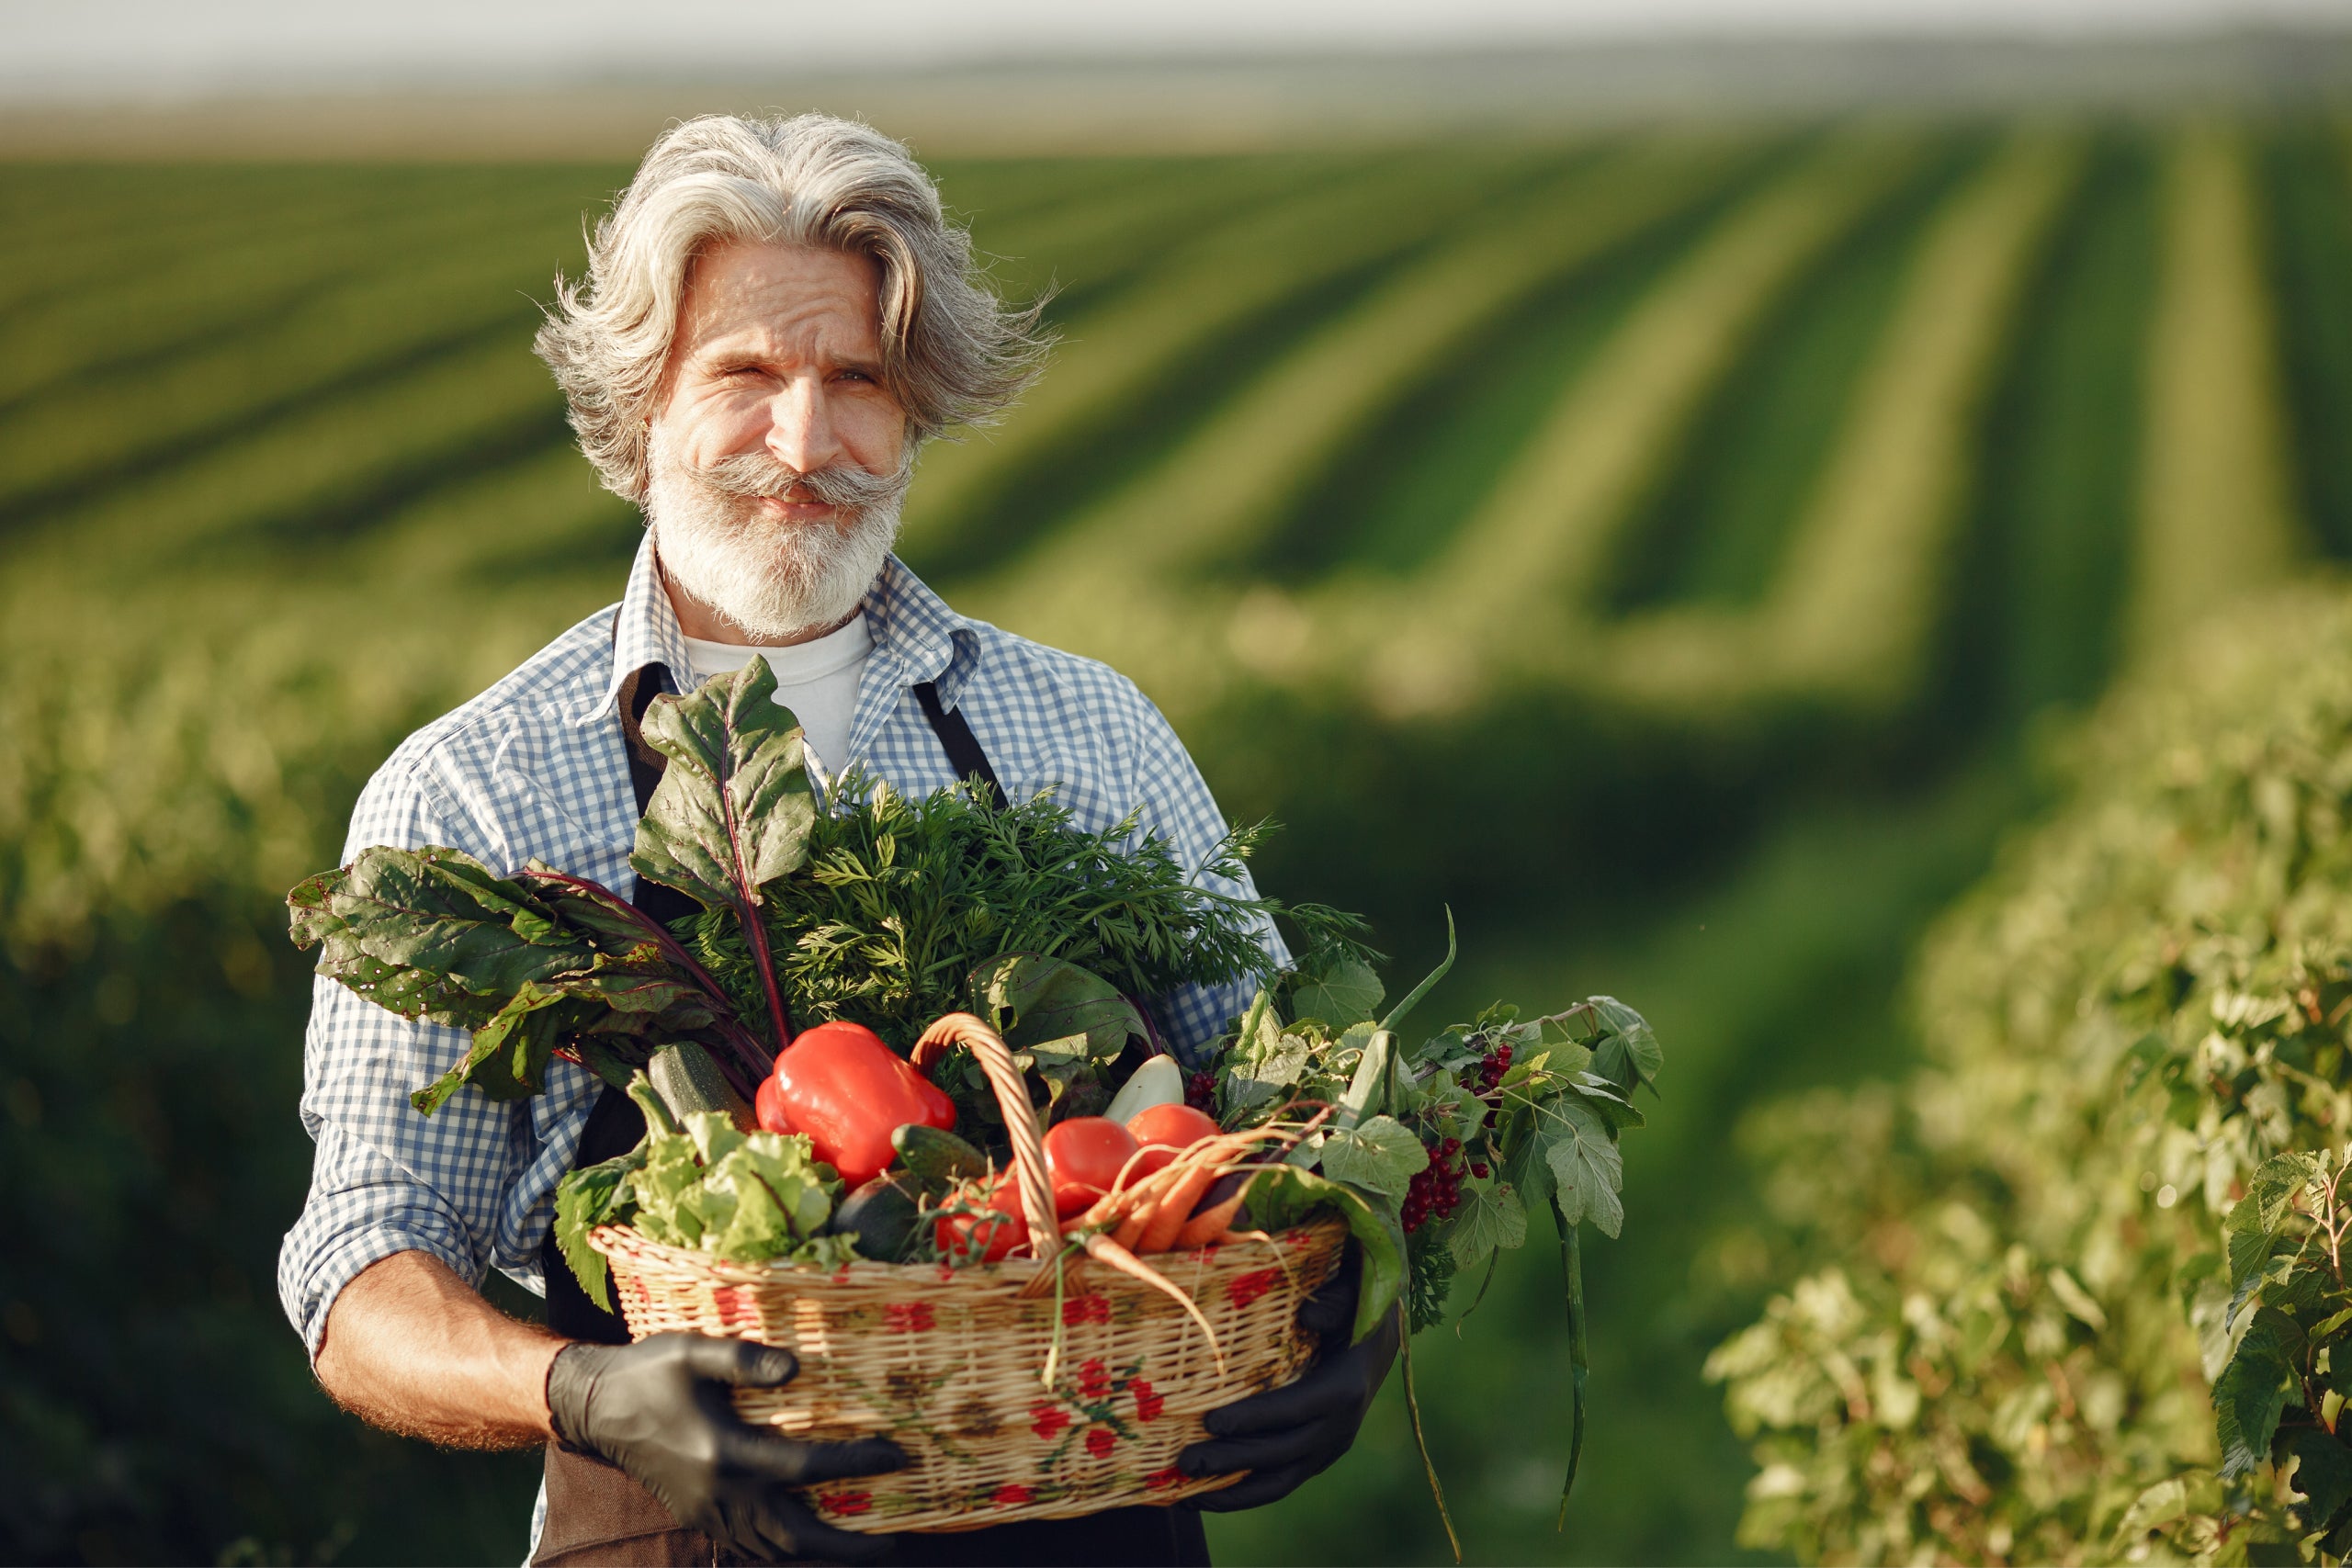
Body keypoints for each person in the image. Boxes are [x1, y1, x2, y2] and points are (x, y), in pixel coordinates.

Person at [277, 112, 1398, 1566]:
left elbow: (1277, 1107)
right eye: (744, 374)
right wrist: (581, 1387)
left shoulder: (1090, 734)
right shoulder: (477, 794)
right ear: (643, 411)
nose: (804, 444)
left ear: (915, 407)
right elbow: (359, 1268)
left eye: (855, 382)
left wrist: (1336, 1312)